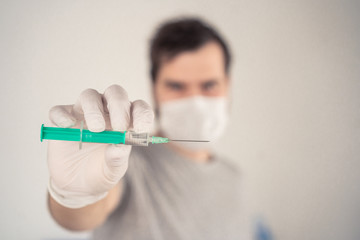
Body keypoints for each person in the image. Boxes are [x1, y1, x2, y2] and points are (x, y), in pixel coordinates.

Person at [47, 17, 248, 240]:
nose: (195, 101)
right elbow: (77, 219)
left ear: (227, 85)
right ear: (154, 89)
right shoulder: (123, 160)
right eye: (176, 86)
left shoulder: (235, 179)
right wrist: (76, 195)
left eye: (209, 85)